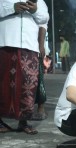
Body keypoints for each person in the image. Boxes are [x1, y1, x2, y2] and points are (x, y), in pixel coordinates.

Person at [0, 0, 49, 134]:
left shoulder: (39, 2)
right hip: (5, 42)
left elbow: (44, 19)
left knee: (28, 84)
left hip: (29, 45)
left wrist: (35, 10)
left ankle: (24, 121)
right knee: (3, 83)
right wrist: (12, 8)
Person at [33, 23, 49, 120]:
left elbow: (43, 24)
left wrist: (41, 45)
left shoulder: (39, 9)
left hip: (33, 47)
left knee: (38, 77)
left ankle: (40, 107)